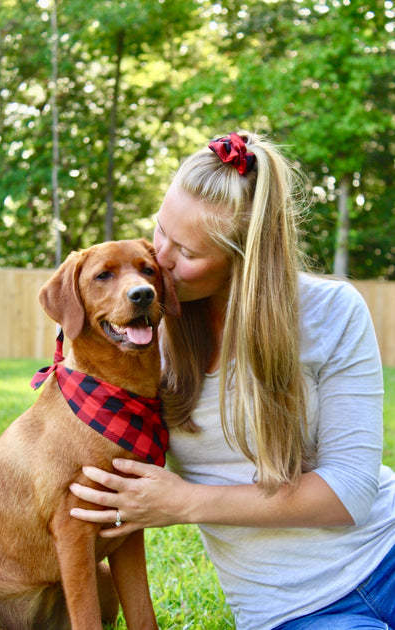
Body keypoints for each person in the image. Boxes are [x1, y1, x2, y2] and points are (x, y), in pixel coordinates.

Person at [69, 131, 395, 630]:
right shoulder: (134, 331)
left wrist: (184, 502)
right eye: (161, 231)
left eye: (187, 251)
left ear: (243, 261)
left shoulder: (332, 312)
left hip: (385, 548)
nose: (162, 260)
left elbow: (350, 489)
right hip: (294, 609)